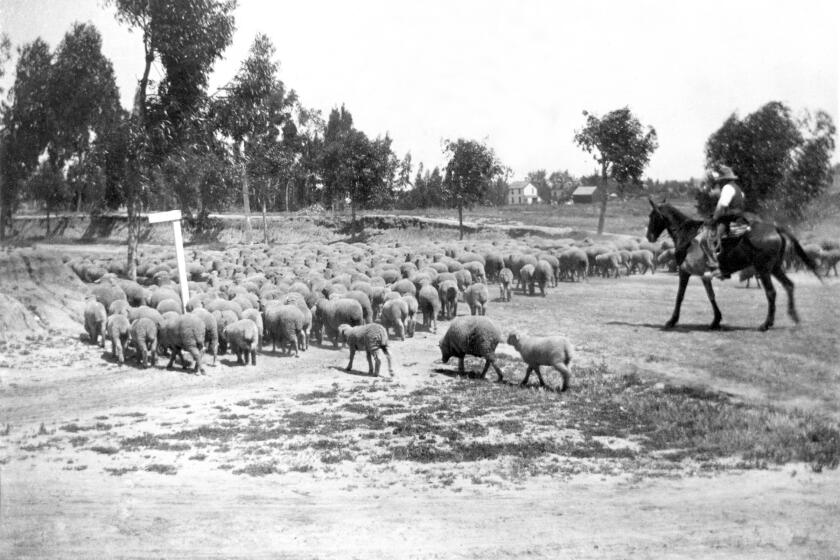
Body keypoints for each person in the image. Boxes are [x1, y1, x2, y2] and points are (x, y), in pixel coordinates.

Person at [701, 165, 746, 279]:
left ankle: (715, 267)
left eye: (720, 180)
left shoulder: (727, 188)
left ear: (723, 180)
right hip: (740, 218)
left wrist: (714, 218)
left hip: (729, 219)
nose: (719, 183)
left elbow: (722, 206)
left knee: (706, 240)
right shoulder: (738, 189)